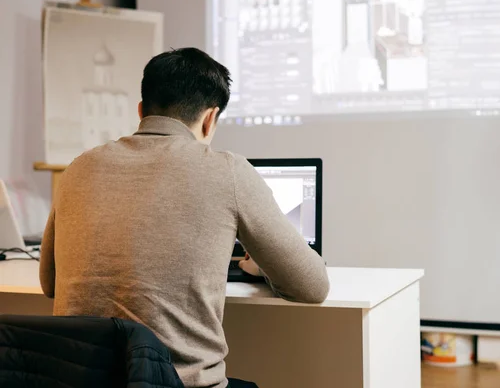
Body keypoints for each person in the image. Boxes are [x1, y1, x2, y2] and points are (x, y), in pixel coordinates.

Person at [39, 47, 330, 388]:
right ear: (210, 118)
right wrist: (260, 266)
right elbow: (313, 286)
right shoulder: (227, 170)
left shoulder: (79, 167)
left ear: (141, 111)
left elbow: (49, 281)